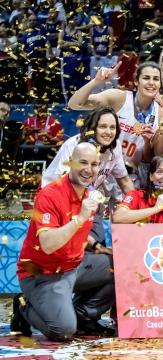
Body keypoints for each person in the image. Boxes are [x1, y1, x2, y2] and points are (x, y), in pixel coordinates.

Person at [11, 142, 115, 341]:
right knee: (63, 331)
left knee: (119, 265)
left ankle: (83, 316)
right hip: (42, 273)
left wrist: (98, 247)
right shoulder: (49, 195)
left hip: (74, 266)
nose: (88, 169)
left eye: (94, 164)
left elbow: (81, 233)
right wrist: (80, 218)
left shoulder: (89, 193)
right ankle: (24, 306)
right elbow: (48, 244)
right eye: (82, 163)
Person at [68, 62, 163, 187]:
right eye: (146, 78)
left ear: (160, 84)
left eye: (156, 79)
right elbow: (74, 104)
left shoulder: (161, 113)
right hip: (100, 172)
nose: (151, 83)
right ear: (136, 81)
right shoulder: (118, 98)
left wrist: (148, 142)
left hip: (129, 178)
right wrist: (96, 82)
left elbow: (153, 157)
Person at [41, 107, 133, 196]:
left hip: (83, 195)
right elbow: (67, 182)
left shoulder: (115, 146)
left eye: (112, 127)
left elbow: (124, 181)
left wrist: (137, 202)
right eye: (103, 126)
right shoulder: (74, 145)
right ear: (92, 128)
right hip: (53, 193)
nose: (109, 132)